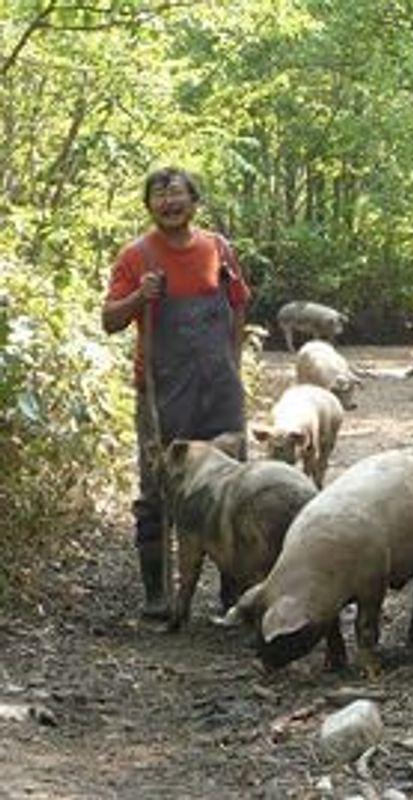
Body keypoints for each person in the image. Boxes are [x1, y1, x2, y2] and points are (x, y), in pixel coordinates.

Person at [102, 166, 250, 619]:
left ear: (194, 202)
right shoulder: (137, 256)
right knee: (158, 487)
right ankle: (157, 595)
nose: (170, 203)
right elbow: (109, 321)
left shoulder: (219, 249)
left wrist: (234, 365)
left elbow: (237, 306)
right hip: (163, 390)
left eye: (178, 195)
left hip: (220, 386)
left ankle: (235, 593)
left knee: (236, 485)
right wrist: (137, 298)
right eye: (160, 197)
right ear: (150, 206)